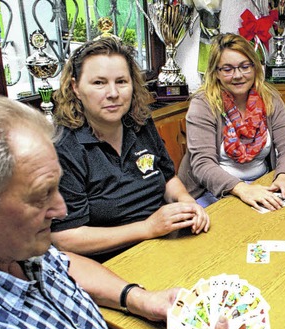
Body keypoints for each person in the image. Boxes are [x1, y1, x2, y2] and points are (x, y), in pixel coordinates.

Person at [0, 95, 241, 329]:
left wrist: (139, 299)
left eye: (57, 188)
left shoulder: (11, 247)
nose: (60, 209)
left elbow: (64, 264)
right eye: (39, 196)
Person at [51, 37, 209, 262]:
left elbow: (167, 178)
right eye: (99, 83)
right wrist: (147, 228)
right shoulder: (63, 147)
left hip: (164, 242)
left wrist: (187, 203)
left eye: (121, 81)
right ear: (75, 87)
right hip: (112, 261)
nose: (113, 93)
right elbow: (65, 238)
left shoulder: (140, 122)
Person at [178, 33, 285, 211]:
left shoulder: (270, 98)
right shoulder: (203, 104)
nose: (238, 75)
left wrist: (284, 177)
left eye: (245, 66)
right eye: (227, 69)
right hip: (210, 192)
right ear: (216, 72)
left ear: (255, 68)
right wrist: (243, 190)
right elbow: (202, 165)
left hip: (262, 184)